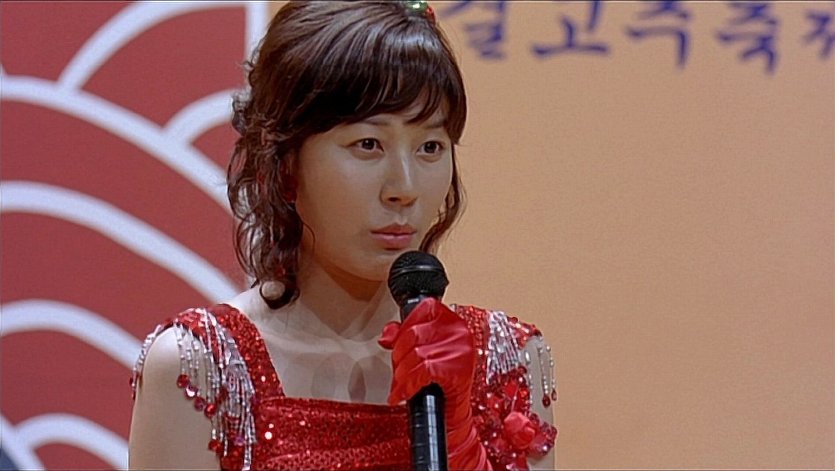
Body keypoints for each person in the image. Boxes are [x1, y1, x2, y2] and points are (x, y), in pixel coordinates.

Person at [128, 1, 558, 470]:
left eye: (431, 147)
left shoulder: (506, 361)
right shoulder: (201, 369)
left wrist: (460, 441)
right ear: (284, 164)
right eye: (368, 144)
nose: (404, 188)